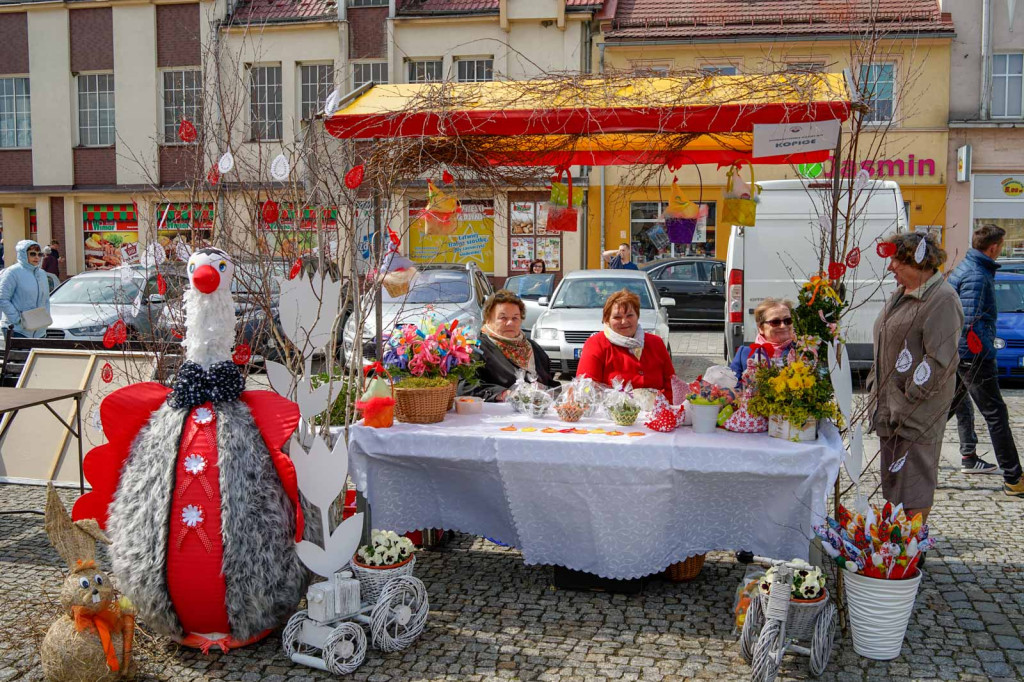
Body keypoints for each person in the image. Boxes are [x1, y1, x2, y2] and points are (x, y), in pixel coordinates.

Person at [869, 232, 963, 523]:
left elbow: (940, 361)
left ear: (916, 261)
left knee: (915, 486)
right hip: (891, 408)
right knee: (895, 483)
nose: (890, 267)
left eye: (895, 261)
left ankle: (911, 544)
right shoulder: (902, 293)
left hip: (916, 413)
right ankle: (896, 541)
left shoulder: (942, 300)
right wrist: (877, 384)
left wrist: (908, 397)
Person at [947, 224, 1024, 496]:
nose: (1001, 250)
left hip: (960, 354)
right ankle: (1014, 478)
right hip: (973, 357)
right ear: (993, 247)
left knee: (942, 412)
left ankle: (908, 460)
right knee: (996, 415)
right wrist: (983, 353)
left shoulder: (968, 267)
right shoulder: (978, 275)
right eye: (1001, 245)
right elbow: (971, 322)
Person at [576, 289, 675, 400]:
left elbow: (672, 384)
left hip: (656, 409)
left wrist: (663, 405)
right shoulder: (596, 344)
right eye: (617, 317)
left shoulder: (656, 342)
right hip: (611, 409)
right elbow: (586, 389)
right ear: (607, 320)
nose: (624, 321)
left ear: (637, 316)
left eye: (630, 315)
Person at [462, 289, 559, 402]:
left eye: (515, 318)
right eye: (503, 318)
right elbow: (465, 386)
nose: (510, 323)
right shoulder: (476, 348)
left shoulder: (534, 348)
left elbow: (551, 384)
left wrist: (554, 393)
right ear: (488, 320)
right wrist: (504, 394)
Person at [729, 298, 796, 383]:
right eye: (775, 322)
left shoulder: (803, 352)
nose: (783, 326)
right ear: (761, 328)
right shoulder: (743, 354)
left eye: (787, 320)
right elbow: (730, 385)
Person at [0, 240, 51, 339]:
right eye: (32, 254)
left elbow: (46, 300)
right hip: (17, 329)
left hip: (39, 330)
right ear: (23, 254)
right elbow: (2, 298)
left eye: (39, 254)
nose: (37, 257)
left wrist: (45, 318)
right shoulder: (12, 272)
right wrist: (18, 319)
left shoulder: (42, 274)